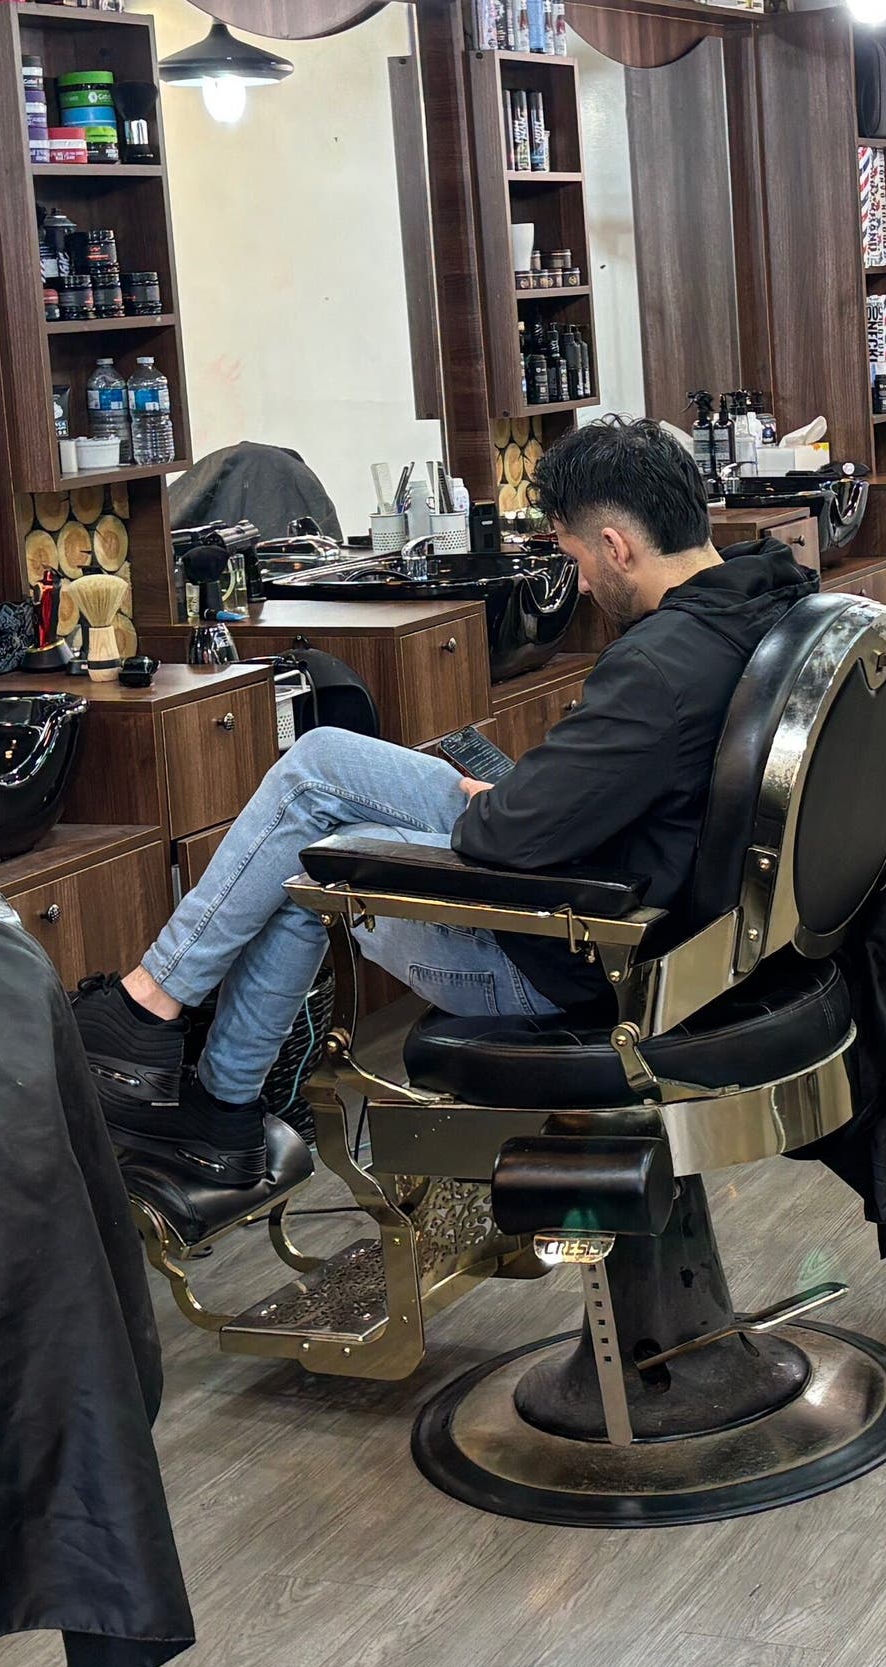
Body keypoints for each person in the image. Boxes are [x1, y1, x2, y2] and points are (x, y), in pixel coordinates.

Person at [72, 419, 817, 1189]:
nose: (584, 586)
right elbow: (615, 787)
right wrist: (538, 795)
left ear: (617, 544)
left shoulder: (660, 666)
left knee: (310, 842)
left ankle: (170, 1044)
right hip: (672, 912)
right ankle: (192, 1070)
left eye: (578, 560)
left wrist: (515, 805)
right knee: (316, 779)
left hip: (574, 946)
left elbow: (504, 837)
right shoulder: (770, 597)